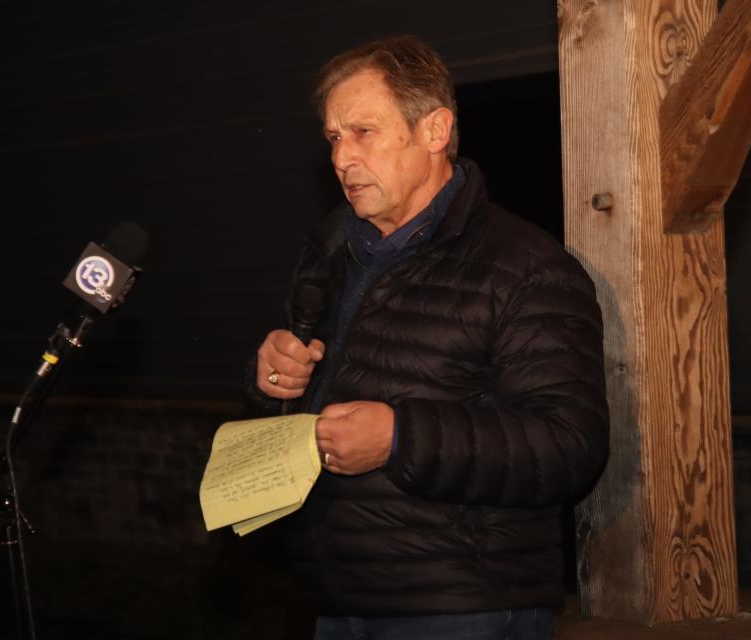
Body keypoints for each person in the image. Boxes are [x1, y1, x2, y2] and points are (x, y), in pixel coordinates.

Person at [247, 35, 609, 640]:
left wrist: (400, 437)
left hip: (464, 607)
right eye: (334, 138)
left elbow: (568, 446)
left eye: (363, 131)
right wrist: (271, 385)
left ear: (435, 130)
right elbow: (290, 416)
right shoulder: (330, 253)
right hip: (333, 596)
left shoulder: (524, 265)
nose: (342, 157)